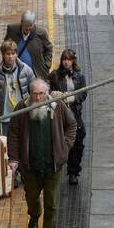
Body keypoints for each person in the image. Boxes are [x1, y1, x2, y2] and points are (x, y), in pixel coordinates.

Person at [7, 79, 77, 228]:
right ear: (30, 94)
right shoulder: (23, 109)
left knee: (52, 203)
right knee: (31, 198)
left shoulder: (57, 106)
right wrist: (14, 158)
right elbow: (13, 134)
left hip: (52, 166)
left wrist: (64, 147)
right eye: (35, 94)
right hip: (30, 167)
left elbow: (72, 125)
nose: (38, 98)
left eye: (41, 94)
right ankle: (34, 215)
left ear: (47, 92)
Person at [49, 49, 87, 185]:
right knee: (57, 140)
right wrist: (54, 94)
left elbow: (83, 94)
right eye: (64, 59)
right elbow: (48, 91)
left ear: (73, 61)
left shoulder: (80, 77)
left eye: (69, 59)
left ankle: (73, 172)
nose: (66, 62)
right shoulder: (54, 75)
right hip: (59, 113)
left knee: (78, 141)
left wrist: (74, 98)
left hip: (74, 113)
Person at [0, 40, 35, 137]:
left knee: (24, 142)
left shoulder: (26, 70)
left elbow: (35, 89)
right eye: (8, 54)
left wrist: (32, 108)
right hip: (4, 117)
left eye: (13, 53)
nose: (10, 56)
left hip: (23, 114)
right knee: (7, 145)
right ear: (3, 55)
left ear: (16, 54)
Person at [5, 9, 52, 81]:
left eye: (30, 25)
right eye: (26, 25)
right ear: (21, 22)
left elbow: (48, 48)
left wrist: (47, 64)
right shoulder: (12, 30)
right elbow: (5, 46)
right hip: (16, 71)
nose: (28, 28)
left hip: (35, 72)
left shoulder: (41, 33)